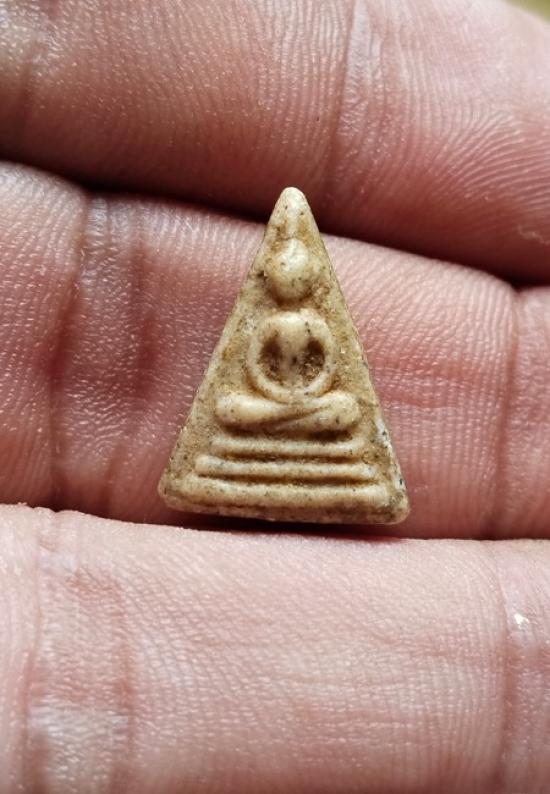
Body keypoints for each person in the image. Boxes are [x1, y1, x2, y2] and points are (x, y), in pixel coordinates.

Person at [0, 0, 549, 791]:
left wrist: (305, 406)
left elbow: (323, 385)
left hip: (310, 420)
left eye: (296, 277)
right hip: (260, 418)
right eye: (284, 278)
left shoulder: (313, 325)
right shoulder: (272, 324)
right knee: (236, 413)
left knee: (338, 412)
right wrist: (278, 405)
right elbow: (253, 384)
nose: (290, 286)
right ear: (278, 278)